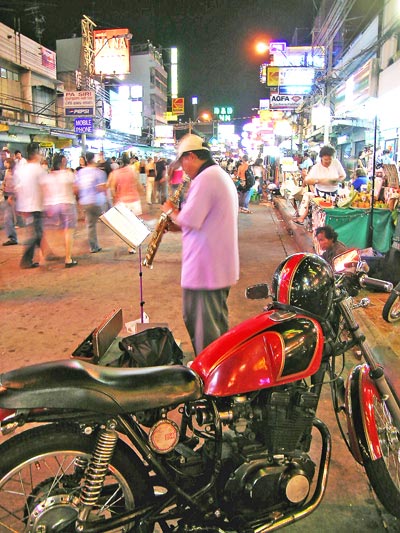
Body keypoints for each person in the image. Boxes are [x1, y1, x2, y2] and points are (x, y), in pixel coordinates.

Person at [161, 134, 239, 356]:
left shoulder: (207, 179)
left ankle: (212, 380)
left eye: (183, 162)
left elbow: (190, 219)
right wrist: (177, 224)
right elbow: (201, 220)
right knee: (211, 324)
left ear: (192, 156)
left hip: (207, 268)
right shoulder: (214, 176)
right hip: (212, 265)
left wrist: (169, 210)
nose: (183, 169)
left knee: (205, 330)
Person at [14, 142, 49, 268]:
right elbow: (44, 189)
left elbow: (17, 187)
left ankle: (47, 253)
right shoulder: (39, 169)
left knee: (36, 231)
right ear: (37, 153)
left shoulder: (21, 169)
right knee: (36, 233)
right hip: (36, 206)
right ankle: (26, 260)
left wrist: (19, 205)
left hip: (25, 206)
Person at [41, 153, 78, 267]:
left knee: (52, 231)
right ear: (62, 161)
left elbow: (44, 191)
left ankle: (43, 257)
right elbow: (76, 189)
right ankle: (68, 258)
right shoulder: (68, 174)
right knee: (68, 231)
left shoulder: (48, 176)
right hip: (67, 203)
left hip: (52, 205)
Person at [107, 152, 143, 254]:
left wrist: (116, 197)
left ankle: (129, 243)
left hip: (122, 202)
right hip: (134, 201)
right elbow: (138, 184)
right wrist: (141, 191)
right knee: (134, 224)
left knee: (126, 224)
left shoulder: (116, 173)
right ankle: (131, 246)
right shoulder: (133, 171)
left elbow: (112, 189)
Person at [75, 151, 107, 253]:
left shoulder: (81, 172)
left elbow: (77, 188)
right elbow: (101, 188)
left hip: (85, 201)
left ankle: (93, 246)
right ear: (94, 159)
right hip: (97, 202)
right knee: (105, 219)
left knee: (90, 224)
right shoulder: (98, 172)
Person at [2, 157, 18, 246]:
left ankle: (13, 238)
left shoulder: (15, 173)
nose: (4, 164)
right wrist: (3, 186)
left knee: (8, 218)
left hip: (12, 197)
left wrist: (12, 196)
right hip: (6, 195)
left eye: (6, 162)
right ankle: (12, 237)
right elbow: (5, 181)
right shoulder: (7, 172)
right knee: (8, 217)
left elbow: (18, 185)